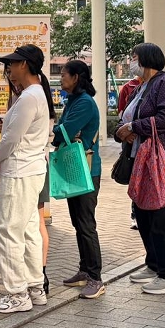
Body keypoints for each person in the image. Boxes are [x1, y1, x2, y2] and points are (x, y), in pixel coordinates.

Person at [116, 43, 165, 294]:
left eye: (134, 57)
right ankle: (155, 263)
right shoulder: (142, 86)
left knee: (161, 216)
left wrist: (134, 128)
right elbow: (126, 118)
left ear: (146, 59)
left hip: (163, 158)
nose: (130, 61)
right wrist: (123, 130)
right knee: (144, 213)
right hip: (143, 158)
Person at [0, 45, 52, 313]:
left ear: (24, 64)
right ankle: (35, 288)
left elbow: (12, 138)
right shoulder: (36, 94)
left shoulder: (28, 97)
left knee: (8, 230)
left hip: (20, 171)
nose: (9, 70)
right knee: (27, 229)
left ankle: (17, 294)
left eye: (12, 64)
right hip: (31, 169)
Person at [55, 59, 105, 299]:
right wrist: (62, 130)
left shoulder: (84, 103)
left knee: (86, 224)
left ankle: (96, 278)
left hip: (86, 170)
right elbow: (63, 131)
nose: (61, 78)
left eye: (64, 74)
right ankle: (85, 270)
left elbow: (61, 133)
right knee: (78, 223)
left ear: (76, 77)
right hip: (75, 168)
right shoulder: (74, 100)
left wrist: (61, 131)